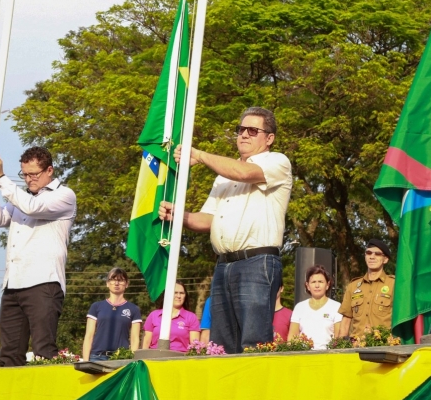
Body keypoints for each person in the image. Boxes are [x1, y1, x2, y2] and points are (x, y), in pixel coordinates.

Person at [159, 107, 292, 353]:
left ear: (269, 138)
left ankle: (254, 391)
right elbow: (208, 219)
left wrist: (198, 154)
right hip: (224, 265)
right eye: (241, 129)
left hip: (257, 262)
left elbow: (243, 173)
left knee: (254, 343)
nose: (244, 135)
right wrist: (179, 215)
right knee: (221, 345)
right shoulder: (223, 176)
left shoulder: (277, 161)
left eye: (253, 130)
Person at [0, 146, 77, 366]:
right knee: (8, 356)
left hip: (43, 282)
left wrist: (0, 177)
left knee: (43, 352)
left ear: (49, 170)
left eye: (33, 174)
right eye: (25, 175)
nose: (28, 180)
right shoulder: (22, 200)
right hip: (13, 284)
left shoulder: (64, 196)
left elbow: (33, 208)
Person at [338, 239, 394, 339]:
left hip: (384, 346)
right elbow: (346, 319)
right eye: (368, 253)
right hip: (357, 346)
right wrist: (339, 346)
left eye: (377, 254)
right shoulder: (353, 286)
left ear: (385, 259)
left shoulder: (393, 284)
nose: (372, 256)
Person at [82, 267, 142, 361]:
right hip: (97, 357)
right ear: (107, 283)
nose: (116, 283)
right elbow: (89, 335)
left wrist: (132, 360)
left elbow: (135, 338)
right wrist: (85, 361)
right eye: (113, 279)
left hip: (121, 358)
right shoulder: (96, 306)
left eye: (121, 280)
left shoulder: (134, 309)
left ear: (126, 284)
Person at [287, 266, 341, 349]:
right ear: (307, 285)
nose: (317, 285)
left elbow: (339, 338)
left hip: (328, 357)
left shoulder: (336, 307)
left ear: (327, 284)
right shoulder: (299, 307)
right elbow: (292, 338)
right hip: (303, 357)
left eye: (320, 282)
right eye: (313, 282)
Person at [143, 281, 200, 352]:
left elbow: (194, 347)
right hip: (155, 358)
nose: (178, 296)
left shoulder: (191, 317)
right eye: (175, 292)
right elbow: (146, 344)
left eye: (181, 293)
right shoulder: (153, 315)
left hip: (180, 359)